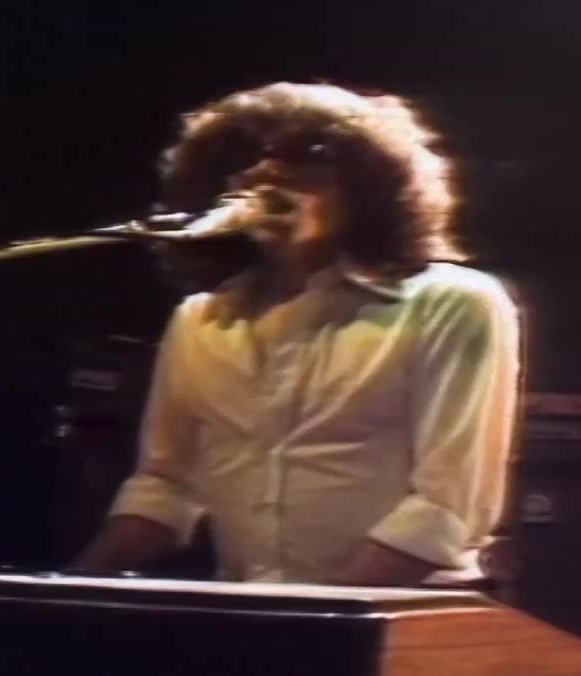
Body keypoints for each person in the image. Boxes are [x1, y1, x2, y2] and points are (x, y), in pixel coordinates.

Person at [70, 82, 521, 588]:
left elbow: (445, 506)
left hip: (409, 619)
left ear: (370, 185)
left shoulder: (450, 303)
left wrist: (317, 613)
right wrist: (71, 588)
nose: (267, 171)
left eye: (306, 155)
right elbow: (166, 486)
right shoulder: (199, 320)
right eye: (247, 157)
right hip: (261, 617)